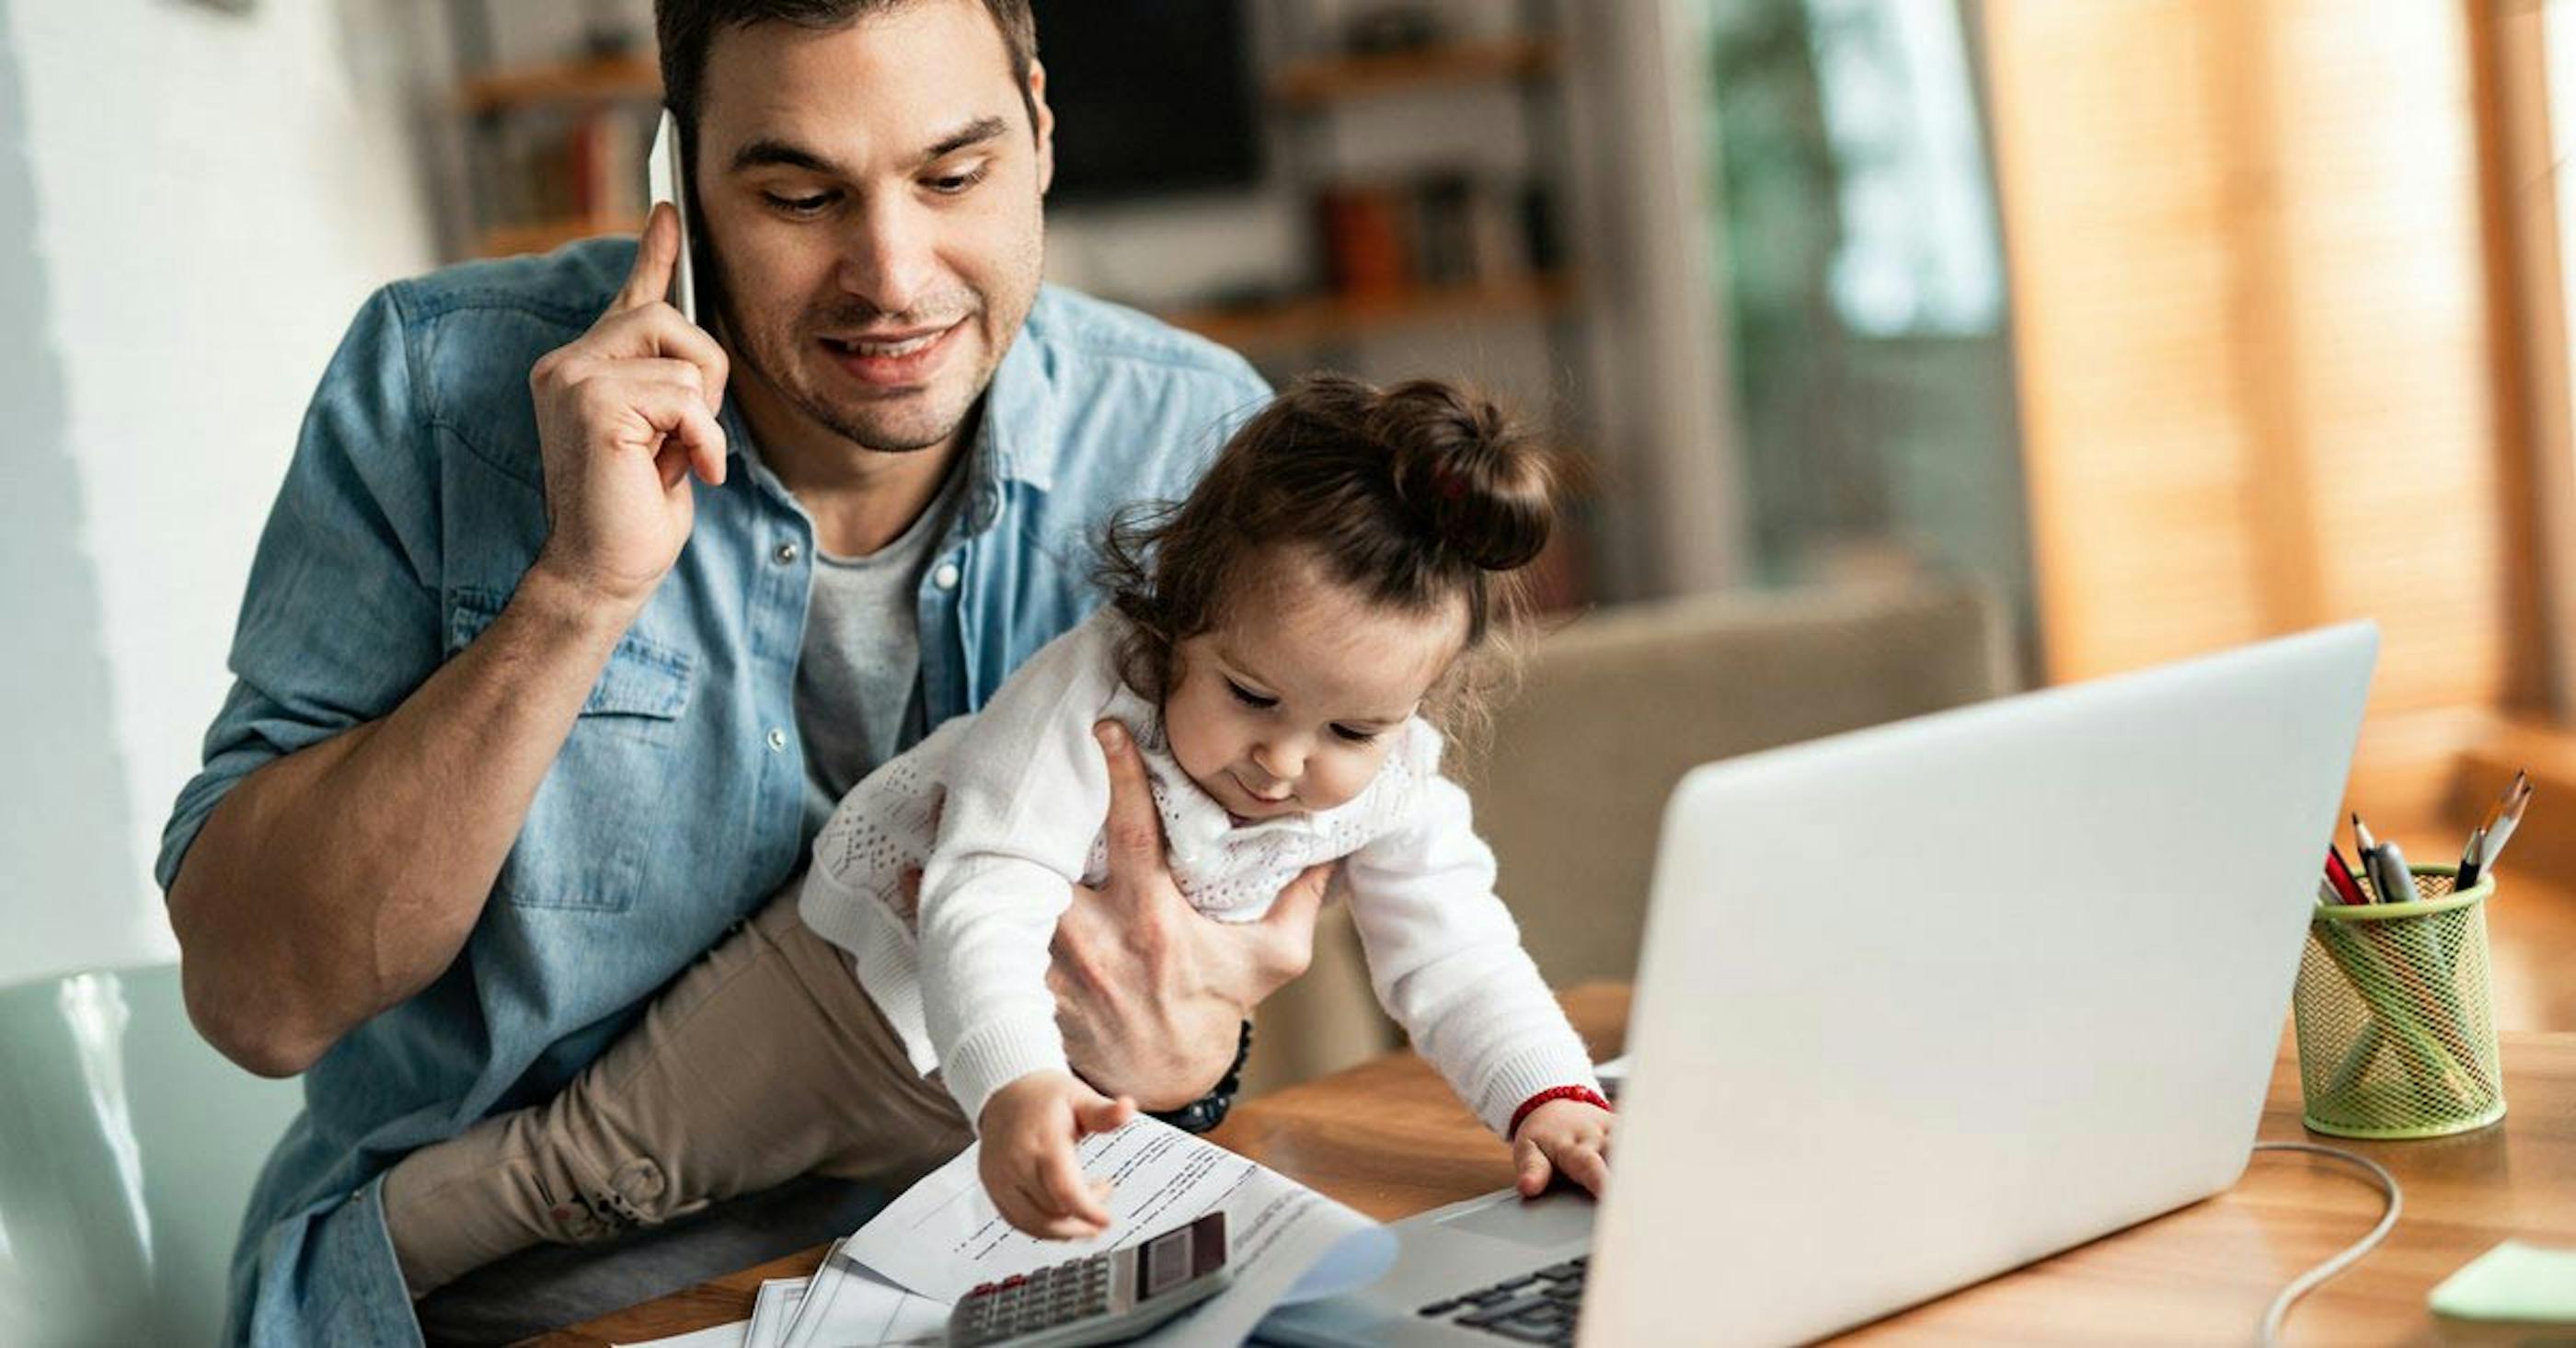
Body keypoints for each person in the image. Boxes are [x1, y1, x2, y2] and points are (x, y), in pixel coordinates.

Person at [156, 1, 1327, 1341]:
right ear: (680, 186)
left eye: (954, 175)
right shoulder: (435, 393)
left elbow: (1215, 966)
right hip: (534, 1301)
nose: (891, 272)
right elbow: (260, 1002)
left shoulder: (1195, 439)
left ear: (1042, 132)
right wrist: (578, 591)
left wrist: (1198, 1056)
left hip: (1009, 1272)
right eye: (799, 194)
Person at [380, 374, 1616, 1293]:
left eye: (1354, 726)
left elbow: (1456, 951)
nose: (1287, 764)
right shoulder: (1092, 695)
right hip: (849, 997)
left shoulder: (1387, 783)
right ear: (1181, 615)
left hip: (1005, 1096)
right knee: (593, 1174)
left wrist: (1547, 1098)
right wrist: (1020, 1085)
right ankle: (348, 1268)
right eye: (1251, 696)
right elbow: (985, 895)